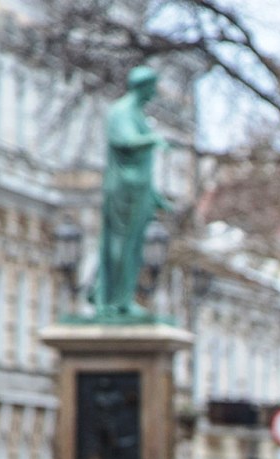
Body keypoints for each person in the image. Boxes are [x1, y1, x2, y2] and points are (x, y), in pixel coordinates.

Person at [94, 65, 170, 318]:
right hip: (123, 189)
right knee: (121, 243)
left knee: (134, 246)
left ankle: (123, 297)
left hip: (138, 188)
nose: (154, 94)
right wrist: (154, 140)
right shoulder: (122, 110)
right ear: (143, 86)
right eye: (152, 88)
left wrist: (156, 196)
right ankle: (113, 298)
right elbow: (124, 141)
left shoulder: (136, 113)